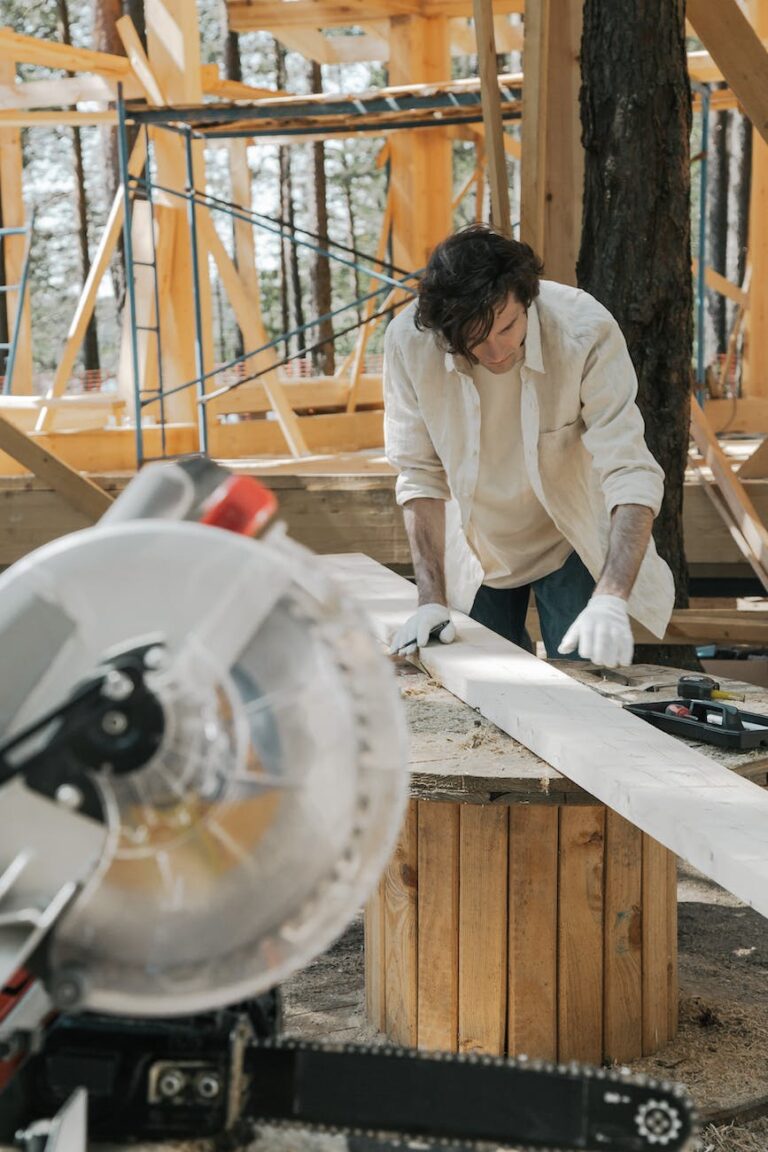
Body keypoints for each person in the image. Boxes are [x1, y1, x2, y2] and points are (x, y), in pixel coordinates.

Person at [384, 224, 674, 669]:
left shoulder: (584, 329)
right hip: (479, 547)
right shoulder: (410, 342)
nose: (496, 351)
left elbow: (629, 468)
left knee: (588, 688)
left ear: (528, 298)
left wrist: (612, 596)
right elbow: (418, 474)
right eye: (475, 339)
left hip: (569, 537)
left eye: (507, 327)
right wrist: (430, 598)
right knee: (485, 694)